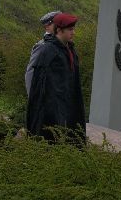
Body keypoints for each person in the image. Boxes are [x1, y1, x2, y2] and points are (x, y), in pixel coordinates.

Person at [26, 13, 86, 144]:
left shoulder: (70, 50)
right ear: (59, 30)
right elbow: (38, 83)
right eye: (70, 29)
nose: (73, 33)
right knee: (51, 142)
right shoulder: (47, 51)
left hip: (68, 106)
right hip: (51, 110)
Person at [25, 11, 61, 97]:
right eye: (57, 24)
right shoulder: (42, 46)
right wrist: (33, 98)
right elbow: (31, 73)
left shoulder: (62, 44)